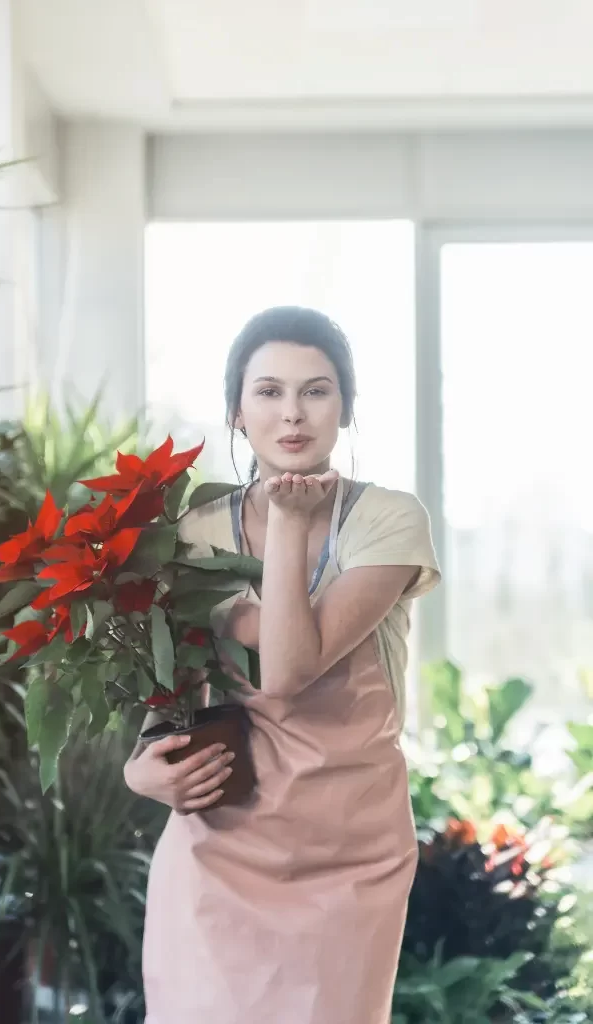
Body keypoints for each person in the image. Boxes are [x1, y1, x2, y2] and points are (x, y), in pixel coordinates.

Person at [124, 306, 441, 1024]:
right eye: (268, 391)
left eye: (316, 390)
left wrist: (290, 525)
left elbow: (289, 672)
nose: (292, 413)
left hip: (348, 853)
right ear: (236, 411)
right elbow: (169, 694)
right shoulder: (192, 530)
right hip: (218, 845)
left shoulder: (388, 520)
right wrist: (139, 769)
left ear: (345, 407)